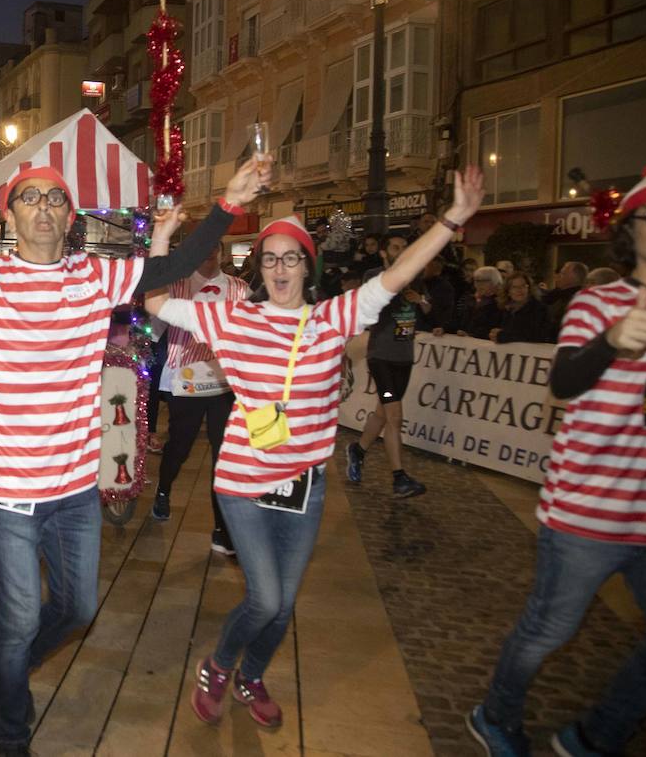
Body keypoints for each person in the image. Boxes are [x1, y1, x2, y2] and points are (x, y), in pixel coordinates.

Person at [0, 131, 272, 757]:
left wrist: (228, 200)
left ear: (70, 217)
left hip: (72, 490)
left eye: (55, 199)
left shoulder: (96, 278)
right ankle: (10, 735)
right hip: (7, 495)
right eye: (30, 198)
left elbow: (172, 268)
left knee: (78, 610)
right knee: (19, 622)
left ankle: (9, 659)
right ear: (10, 216)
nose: (43, 207)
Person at [145, 167, 484, 733]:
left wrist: (453, 220)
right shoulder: (231, 317)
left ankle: (253, 674)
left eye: (291, 257)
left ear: (308, 266)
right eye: (270, 258)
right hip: (244, 482)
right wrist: (161, 237)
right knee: (266, 597)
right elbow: (154, 299)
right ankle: (219, 665)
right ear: (259, 267)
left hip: (304, 481)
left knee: (284, 602)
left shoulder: (332, 320)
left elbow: (397, 276)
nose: (280, 268)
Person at [467, 167, 646, 757]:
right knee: (546, 633)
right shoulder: (597, 303)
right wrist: (613, 342)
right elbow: (564, 380)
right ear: (632, 229)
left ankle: (598, 734)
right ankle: (495, 714)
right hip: (585, 514)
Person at [150, 241, 249, 554]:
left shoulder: (239, 288)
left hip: (224, 384)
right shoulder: (178, 286)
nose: (208, 254)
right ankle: (164, 489)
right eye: (203, 248)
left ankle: (222, 529)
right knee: (179, 447)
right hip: (187, 382)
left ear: (220, 251)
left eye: (213, 248)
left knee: (224, 456)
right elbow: (156, 325)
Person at [345, 233, 431, 499]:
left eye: (404, 246)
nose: (401, 250)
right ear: (384, 252)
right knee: (394, 416)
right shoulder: (374, 275)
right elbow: (373, 308)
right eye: (395, 247)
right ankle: (399, 478)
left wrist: (421, 301)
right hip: (380, 356)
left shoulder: (415, 276)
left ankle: (357, 450)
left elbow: (429, 310)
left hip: (404, 357)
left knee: (382, 414)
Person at [490, 272, 555, 344]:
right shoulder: (505, 310)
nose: (519, 290)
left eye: (523, 286)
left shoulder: (539, 309)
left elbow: (536, 335)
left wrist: (504, 336)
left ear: (529, 288)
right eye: (514, 287)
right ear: (508, 291)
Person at [457, 266, 503, 339]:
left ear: (495, 282)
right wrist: (444, 328)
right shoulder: (469, 299)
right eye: (476, 280)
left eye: (484, 281)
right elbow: (460, 321)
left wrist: (471, 335)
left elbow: (493, 328)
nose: (479, 284)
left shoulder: (500, 303)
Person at [541, 261, 587, 328]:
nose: (558, 276)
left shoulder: (571, 300)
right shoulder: (559, 294)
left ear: (572, 277)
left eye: (562, 273)